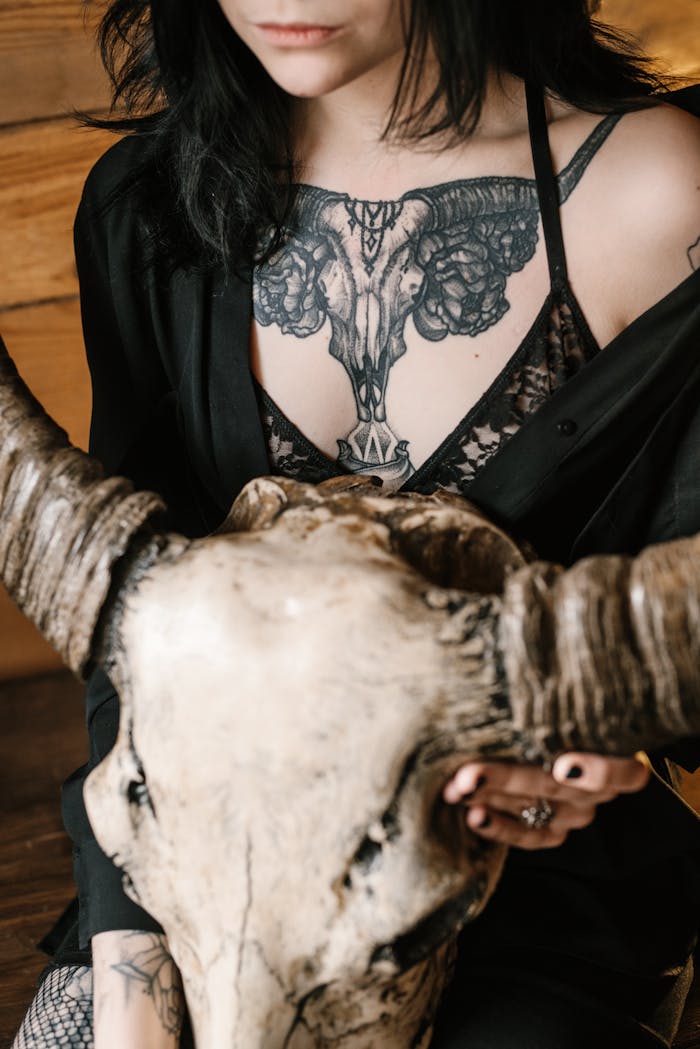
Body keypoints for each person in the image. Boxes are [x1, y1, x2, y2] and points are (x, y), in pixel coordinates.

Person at [12, 1, 700, 1046]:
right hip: (193, 873)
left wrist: (607, 739)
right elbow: (133, 641)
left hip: (529, 896)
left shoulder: (664, 192)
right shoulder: (149, 202)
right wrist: (127, 980)